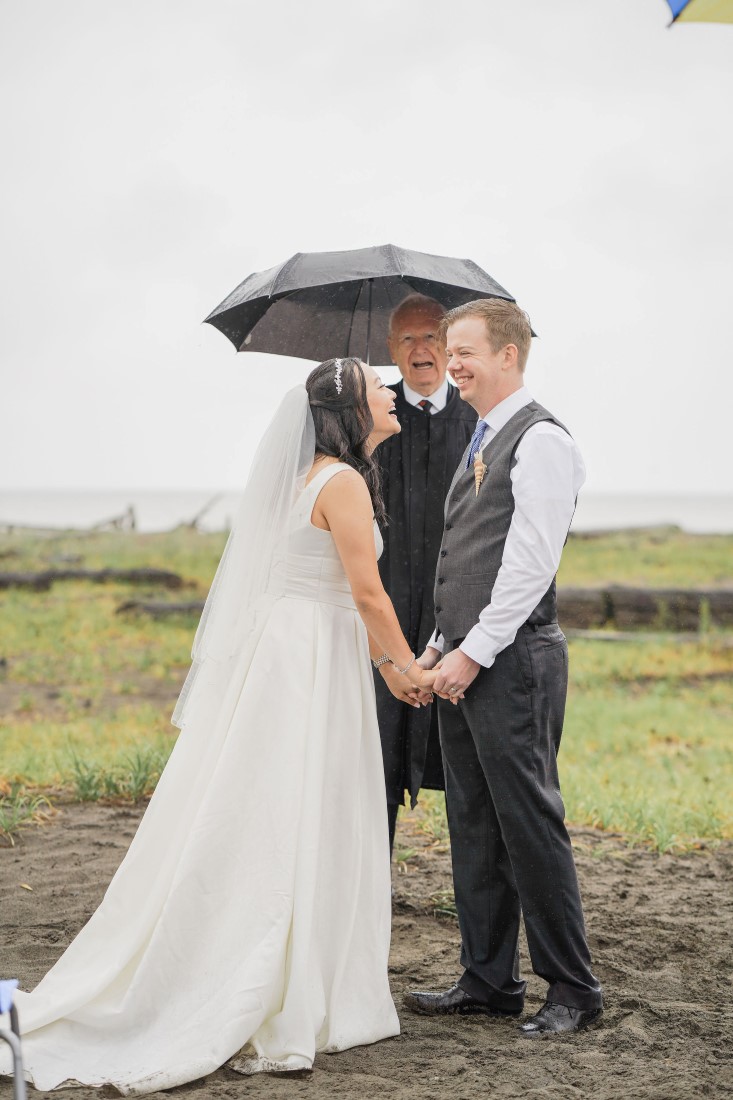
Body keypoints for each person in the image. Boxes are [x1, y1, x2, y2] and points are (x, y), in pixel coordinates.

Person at [0, 359, 437, 1094]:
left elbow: (326, 589)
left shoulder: (308, 480)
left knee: (267, 803)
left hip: (290, 651)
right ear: (350, 410)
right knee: (297, 807)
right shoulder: (346, 483)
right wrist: (409, 668)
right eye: (378, 387)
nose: (392, 394)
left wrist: (388, 668)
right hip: (308, 662)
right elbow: (364, 591)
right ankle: (274, 979)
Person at [404, 299, 603, 1036]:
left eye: (463, 351)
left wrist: (473, 653)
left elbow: (527, 565)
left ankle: (574, 990)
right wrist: (436, 642)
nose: (449, 363)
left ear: (508, 355)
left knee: (528, 823)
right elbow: (470, 555)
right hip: (467, 651)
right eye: (446, 351)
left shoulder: (541, 439)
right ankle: (488, 980)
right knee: (474, 822)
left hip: (513, 660)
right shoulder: (482, 435)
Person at [374, 294, 475, 850]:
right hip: (381, 613)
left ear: (449, 344)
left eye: (432, 337)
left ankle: (477, 914)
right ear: (390, 348)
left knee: (468, 771)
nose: (421, 350)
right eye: (407, 339)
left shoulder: (478, 418)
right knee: (373, 760)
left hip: (456, 620)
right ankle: (367, 896)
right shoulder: (370, 417)